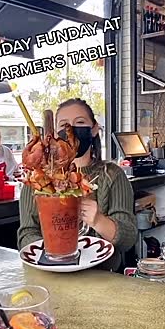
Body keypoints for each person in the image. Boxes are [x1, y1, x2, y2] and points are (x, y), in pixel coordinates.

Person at [17, 98, 137, 272]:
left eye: (80, 122)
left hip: (102, 275)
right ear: (56, 133)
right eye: (64, 124)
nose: (71, 129)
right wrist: (55, 252)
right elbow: (26, 235)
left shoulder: (112, 175)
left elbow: (128, 239)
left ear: (94, 129)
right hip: (51, 274)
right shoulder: (39, 179)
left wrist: (98, 220)